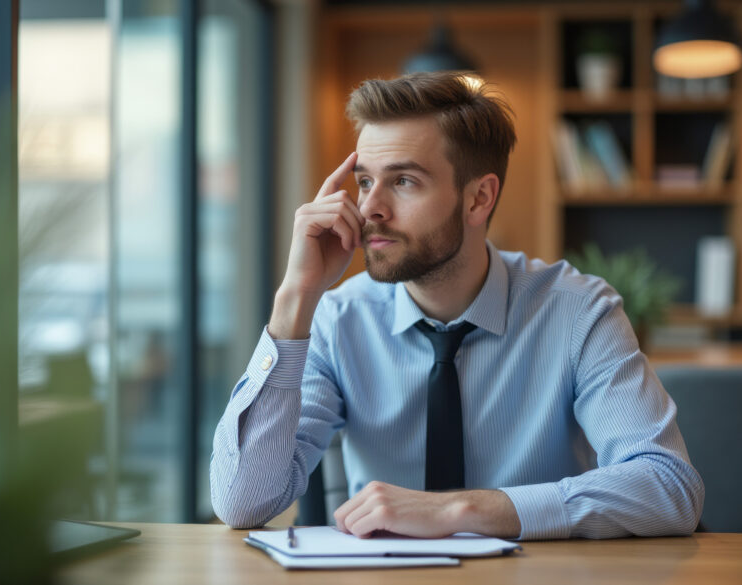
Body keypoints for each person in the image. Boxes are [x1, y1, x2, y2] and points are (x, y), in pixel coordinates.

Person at [209, 71, 704, 540]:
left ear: (478, 199)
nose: (369, 209)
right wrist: (295, 296)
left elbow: (668, 487)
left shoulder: (578, 312)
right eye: (364, 182)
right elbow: (241, 503)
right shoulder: (337, 320)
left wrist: (461, 510)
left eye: (403, 181)